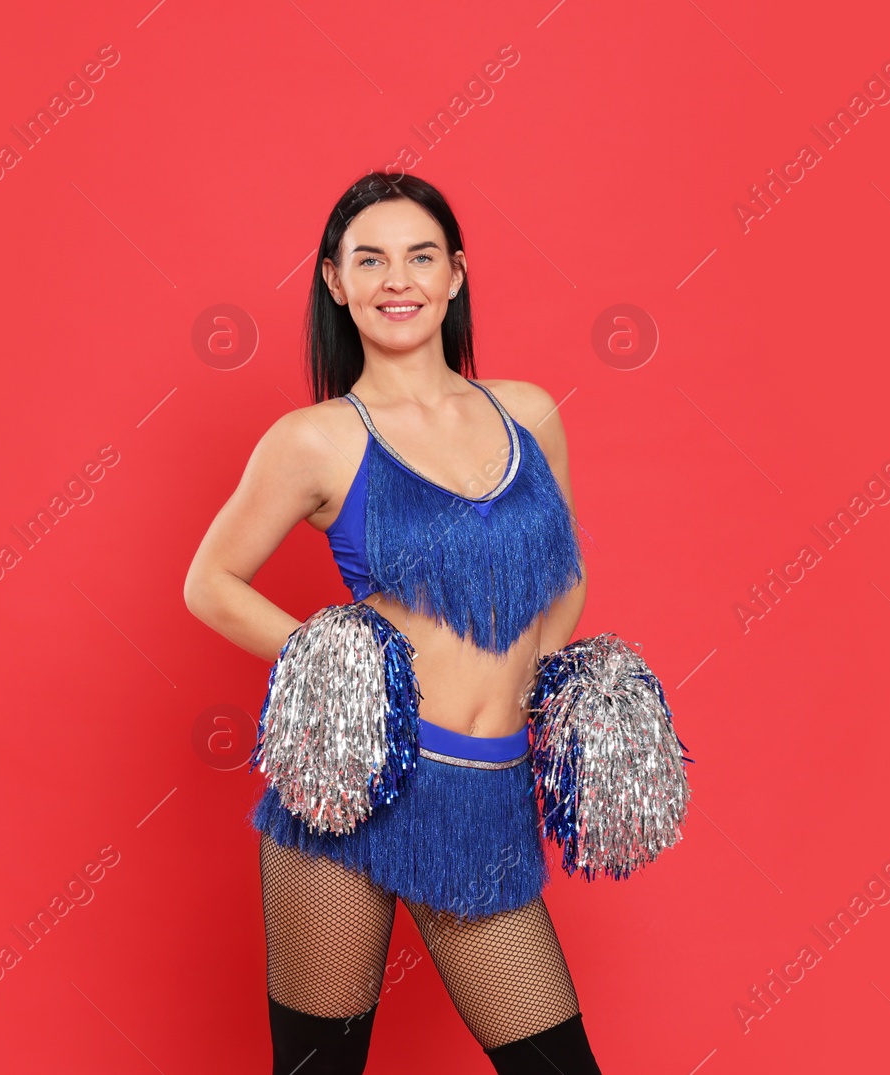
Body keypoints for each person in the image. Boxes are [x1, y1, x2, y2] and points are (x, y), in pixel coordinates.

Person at [184, 171, 604, 1074]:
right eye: (368, 259)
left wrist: (551, 681)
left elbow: (565, 579)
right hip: (349, 790)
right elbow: (209, 581)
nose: (396, 279)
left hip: (482, 801)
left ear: (455, 275)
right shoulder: (316, 438)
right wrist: (338, 666)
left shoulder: (529, 414)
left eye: (419, 256)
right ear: (335, 281)